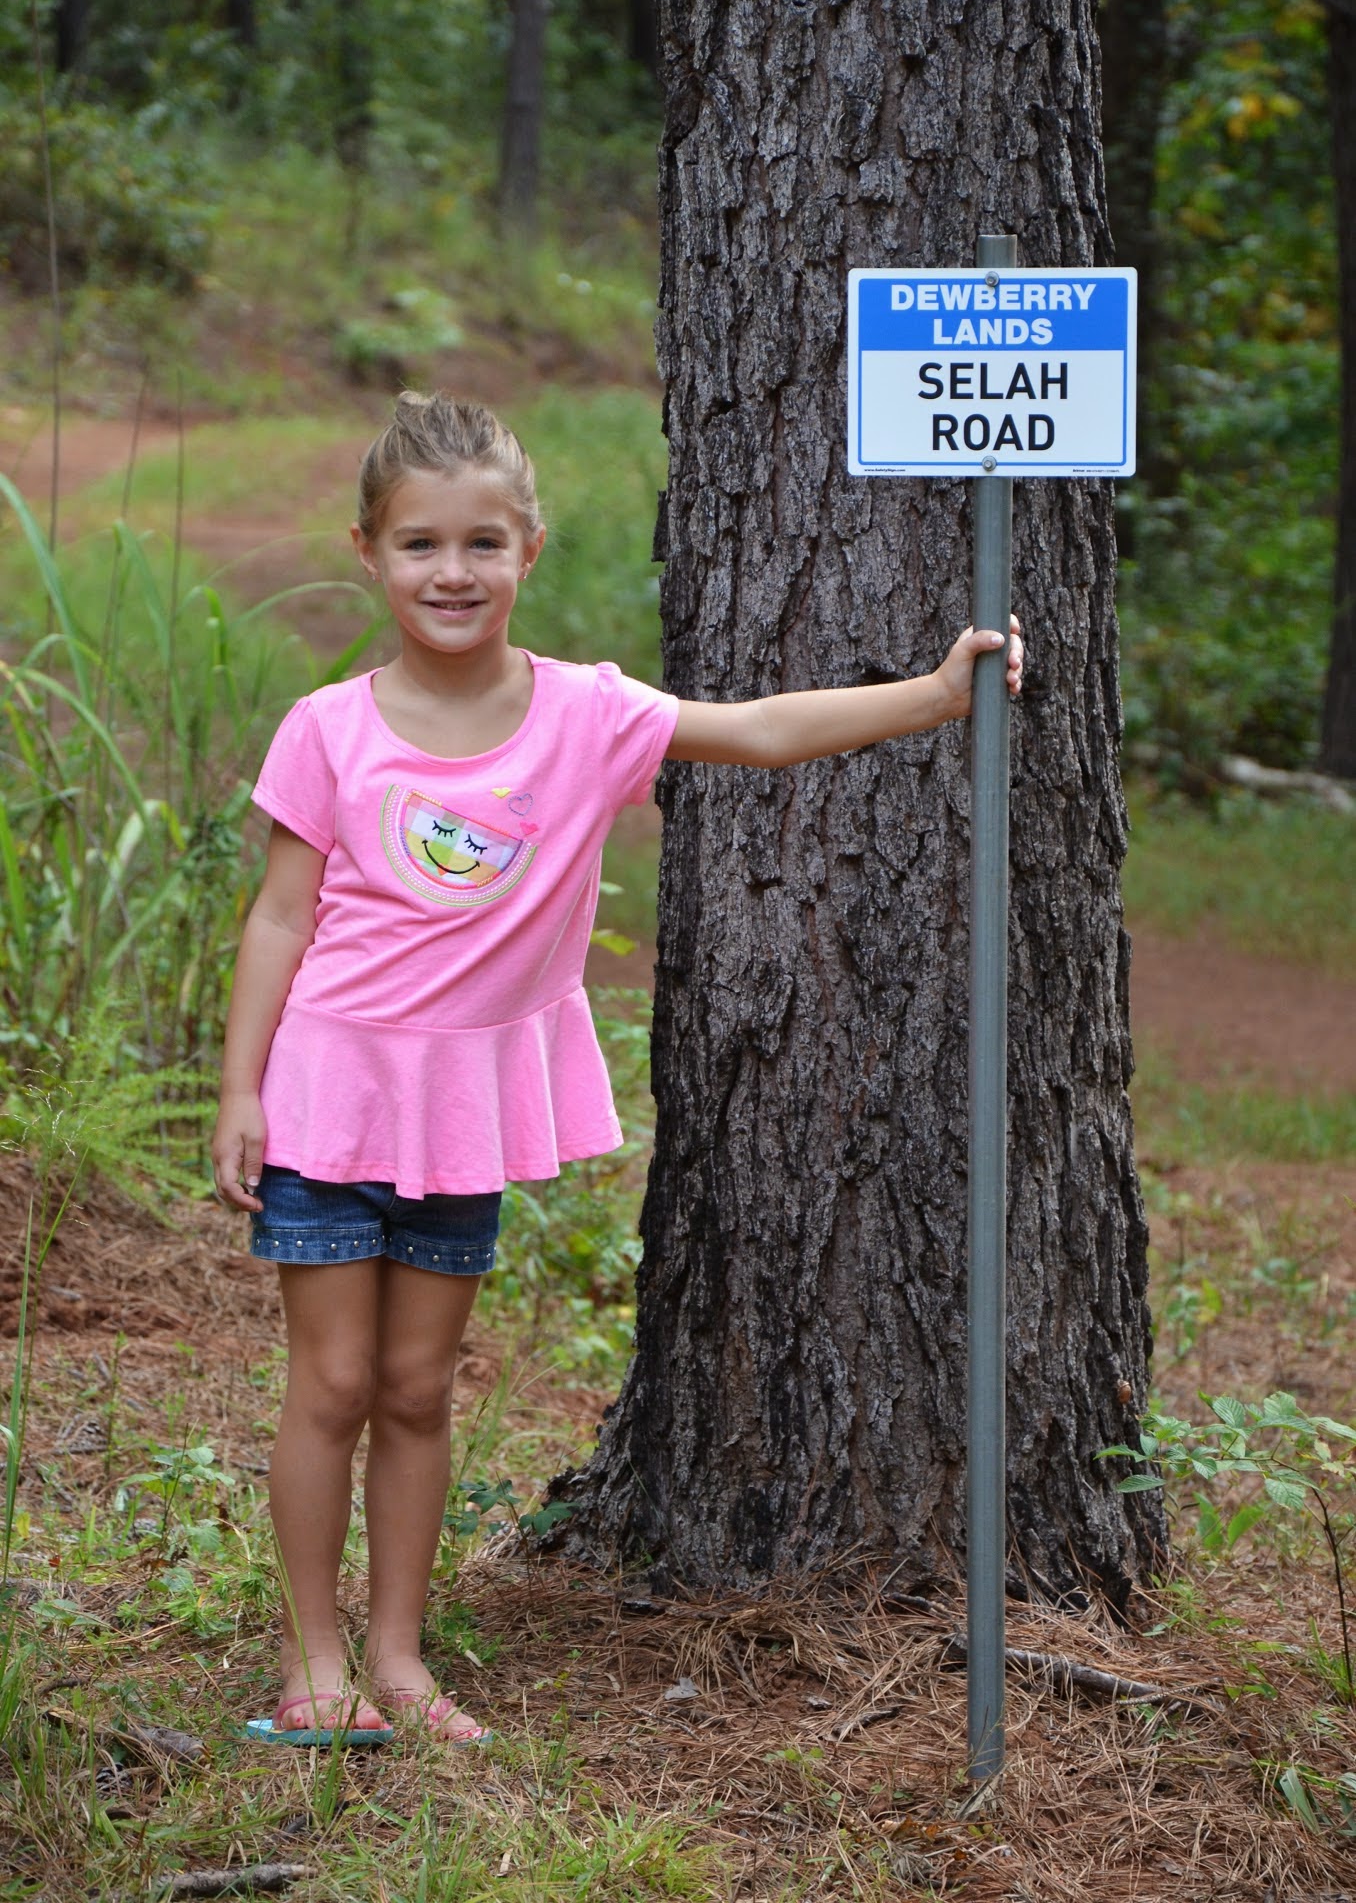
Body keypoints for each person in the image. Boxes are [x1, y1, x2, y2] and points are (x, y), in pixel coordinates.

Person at [212, 392, 1023, 1743]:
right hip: (327, 1098)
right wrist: (241, 1087)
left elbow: (758, 727)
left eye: (482, 542)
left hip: (458, 1112)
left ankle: (401, 1661)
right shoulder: (329, 728)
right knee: (332, 1387)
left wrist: (936, 696)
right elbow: (281, 918)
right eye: (419, 545)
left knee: (415, 1391)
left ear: (530, 550)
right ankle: (314, 1664)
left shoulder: (585, 716)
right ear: (370, 552)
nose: (452, 572)